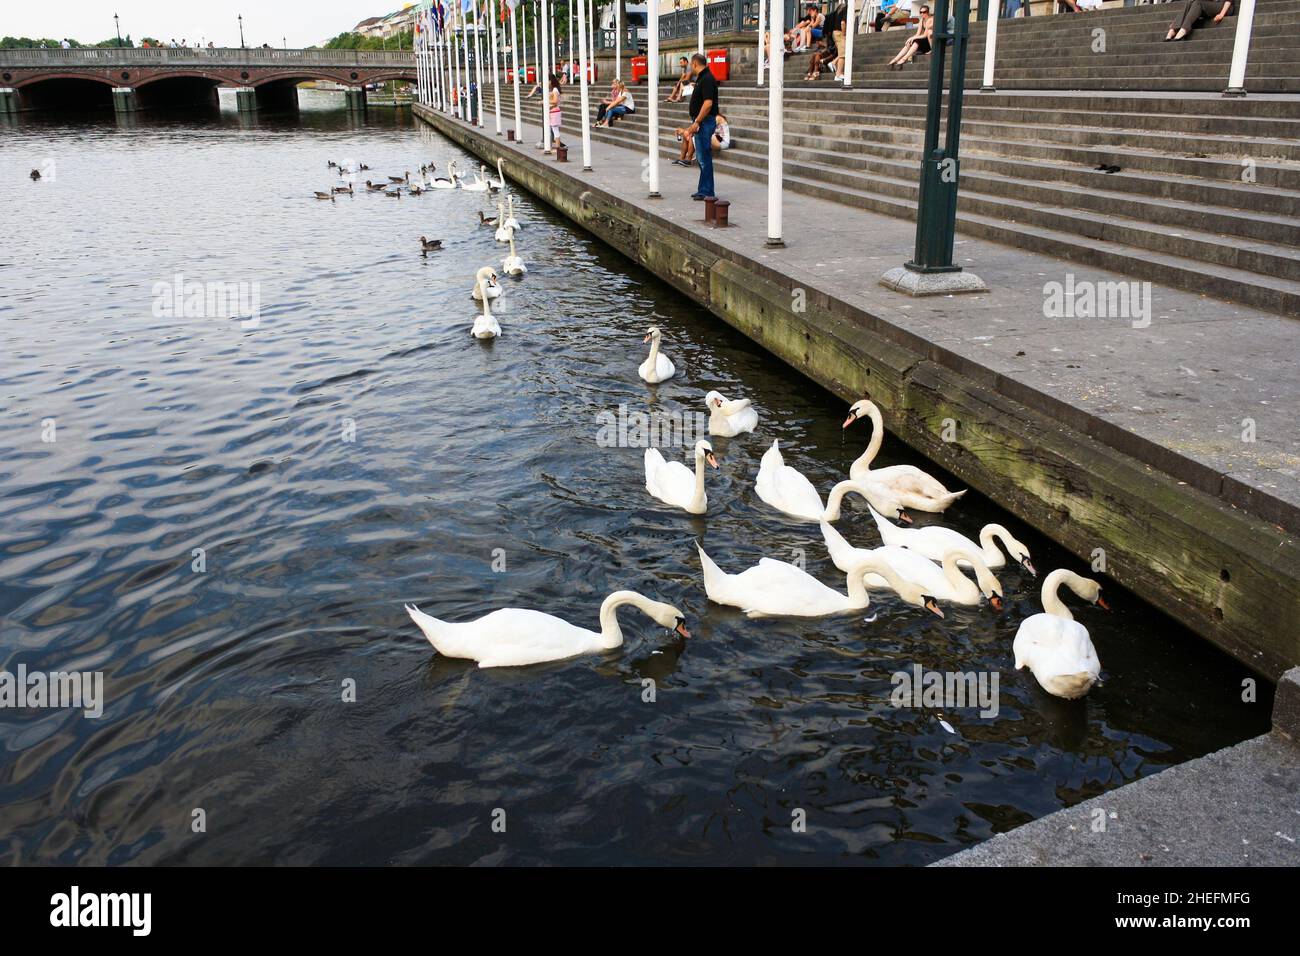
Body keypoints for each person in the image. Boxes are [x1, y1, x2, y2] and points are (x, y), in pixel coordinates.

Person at [684, 53, 719, 201]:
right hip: (702, 121)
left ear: (694, 64)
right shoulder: (702, 78)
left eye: (690, 66)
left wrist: (697, 121)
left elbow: (708, 103)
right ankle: (703, 189)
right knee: (701, 156)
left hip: (704, 121)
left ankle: (707, 191)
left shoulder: (707, 79)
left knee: (704, 156)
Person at [1165, 0, 1235, 41]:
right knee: (1190, 3)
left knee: (1198, 3)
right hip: (1213, 5)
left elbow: (1229, 0)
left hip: (1225, 6)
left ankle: (1184, 30)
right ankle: (1174, 29)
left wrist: (1221, 14)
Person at [546, 73, 564, 151]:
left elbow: (555, 101)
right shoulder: (554, 89)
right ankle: (556, 147)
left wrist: (546, 101)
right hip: (553, 111)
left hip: (554, 111)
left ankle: (557, 148)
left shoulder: (555, 90)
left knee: (555, 129)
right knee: (554, 129)